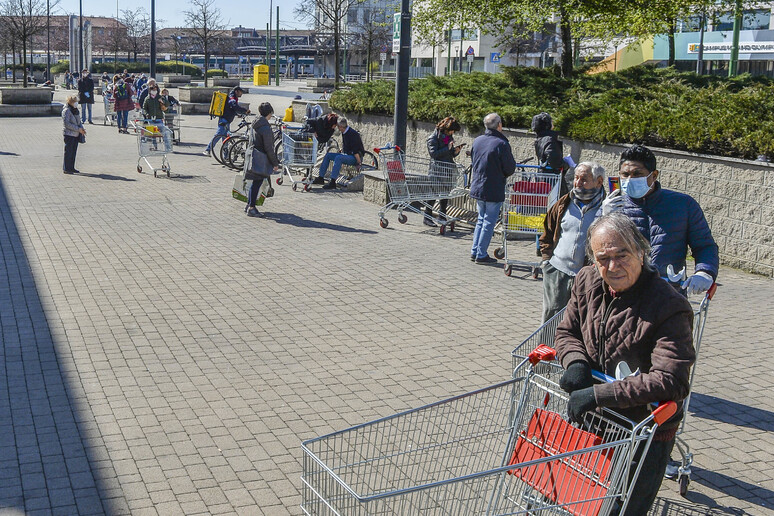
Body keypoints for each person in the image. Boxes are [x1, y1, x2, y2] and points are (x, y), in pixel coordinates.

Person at [554, 213, 695, 516]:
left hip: (645, 430)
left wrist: (598, 394)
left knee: (627, 508)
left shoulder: (669, 306)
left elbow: (671, 380)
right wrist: (576, 363)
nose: (612, 266)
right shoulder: (587, 279)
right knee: (584, 499)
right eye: (603, 258)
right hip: (599, 420)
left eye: (622, 255)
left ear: (641, 252)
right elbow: (567, 331)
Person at [603, 144, 718, 295]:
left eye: (637, 174)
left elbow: (704, 245)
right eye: (625, 174)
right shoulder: (614, 206)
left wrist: (704, 272)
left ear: (654, 175)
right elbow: (599, 251)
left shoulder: (683, 205)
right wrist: (604, 221)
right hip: (626, 293)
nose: (630, 179)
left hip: (669, 293)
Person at [539, 162, 606, 322]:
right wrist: (546, 261)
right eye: (576, 178)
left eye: (584, 179)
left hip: (586, 277)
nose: (577, 183)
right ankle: (546, 347)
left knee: (581, 320)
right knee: (551, 320)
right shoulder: (564, 203)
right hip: (557, 272)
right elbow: (548, 231)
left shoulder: (606, 208)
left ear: (599, 182)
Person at [468, 113, 516, 263]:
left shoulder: (478, 141)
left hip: (478, 185)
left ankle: (475, 250)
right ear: (499, 125)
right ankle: (481, 254)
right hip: (493, 187)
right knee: (488, 221)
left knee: (481, 220)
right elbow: (509, 168)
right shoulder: (501, 144)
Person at [425, 116, 463, 226]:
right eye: (451, 130)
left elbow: (449, 152)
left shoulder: (447, 136)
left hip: (447, 169)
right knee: (433, 194)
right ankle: (427, 216)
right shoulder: (433, 138)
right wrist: (448, 148)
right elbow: (434, 154)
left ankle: (442, 215)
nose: (452, 133)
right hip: (436, 170)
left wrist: (455, 151)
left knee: (445, 194)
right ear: (445, 128)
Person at [245, 102, 281, 217]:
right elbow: (269, 148)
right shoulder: (265, 128)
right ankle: (251, 207)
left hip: (252, 155)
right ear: (269, 113)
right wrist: (275, 163)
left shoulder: (255, 122)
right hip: (260, 157)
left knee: (255, 182)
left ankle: (249, 204)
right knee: (257, 182)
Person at [316, 117, 364, 190]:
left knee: (338, 158)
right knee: (328, 155)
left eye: (338, 127)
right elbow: (348, 145)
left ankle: (332, 182)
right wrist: (343, 149)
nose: (337, 128)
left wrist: (359, 163)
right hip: (348, 154)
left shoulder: (353, 134)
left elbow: (356, 151)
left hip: (355, 157)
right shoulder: (344, 132)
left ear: (341, 127)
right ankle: (320, 177)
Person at [204, 86, 250, 156]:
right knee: (218, 135)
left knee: (226, 139)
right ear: (236, 91)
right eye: (241, 92)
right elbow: (235, 106)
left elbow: (232, 109)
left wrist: (238, 114)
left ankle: (226, 156)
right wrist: (245, 110)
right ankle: (207, 150)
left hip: (226, 121)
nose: (242, 94)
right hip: (224, 121)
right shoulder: (232, 98)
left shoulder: (233, 98)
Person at [531, 112, 569, 195]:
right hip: (552, 179)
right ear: (547, 124)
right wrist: (566, 164)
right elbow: (554, 161)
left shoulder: (540, 139)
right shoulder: (549, 140)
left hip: (543, 176)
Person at [62, 95, 86, 174]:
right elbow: (67, 124)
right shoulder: (66, 110)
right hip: (69, 134)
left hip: (76, 134)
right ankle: (66, 168)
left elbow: (79, 122)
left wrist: (82, 129)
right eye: (75, 102)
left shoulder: (75, 110)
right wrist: (77, 129)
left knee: (73, 152)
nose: (76, 103)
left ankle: (71, 167)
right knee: (68, 152)